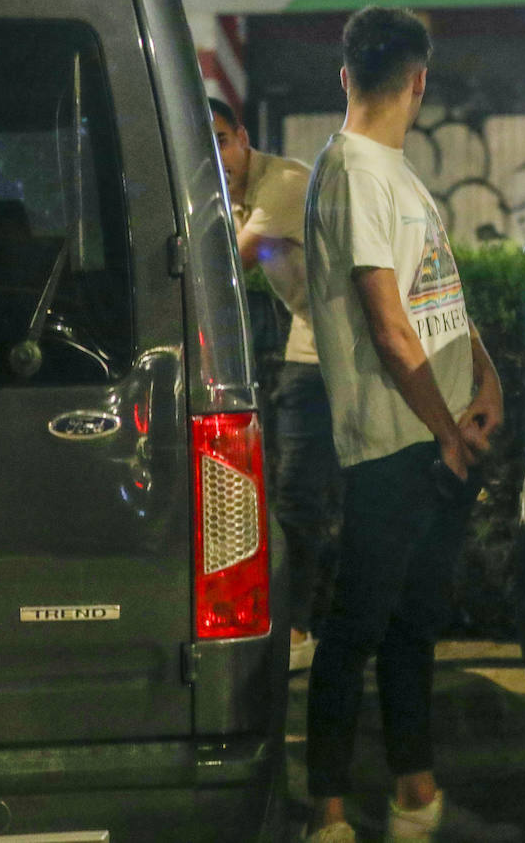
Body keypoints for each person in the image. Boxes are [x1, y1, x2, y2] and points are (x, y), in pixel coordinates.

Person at [301, 6, 509, 843]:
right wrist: (448, 429)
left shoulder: (398, 173)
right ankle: (327, 812)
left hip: (437, 437)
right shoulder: (353, 170)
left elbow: (437, 300)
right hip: (394, 443)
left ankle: (413, 791)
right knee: (357, 629)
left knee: (414, 626)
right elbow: (387, 327)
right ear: (419, 81)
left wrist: (485, 379)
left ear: (347, 75)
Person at [210, 96, 336, 672]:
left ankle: (300, 632)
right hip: (311, 344)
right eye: (204, 145)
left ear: (242, 136)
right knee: (296, 498)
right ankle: (297, 630)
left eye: (222, 140)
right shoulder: (232, 196)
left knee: (309, 498)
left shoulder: (282, 183)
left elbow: (228, 268)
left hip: (352, 353)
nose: (217, 154)